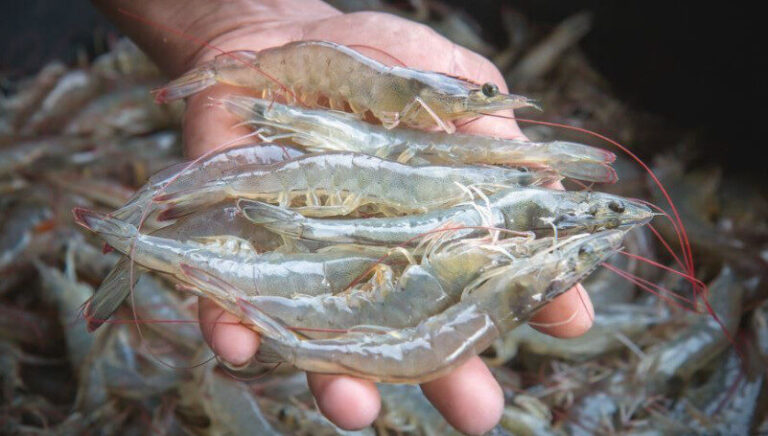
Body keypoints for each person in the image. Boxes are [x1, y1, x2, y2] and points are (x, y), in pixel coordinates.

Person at [92, 1, 596, 433]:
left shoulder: (425, 148)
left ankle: (150, 241)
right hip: (317, 142)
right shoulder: (385, 110)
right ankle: (148, 235)